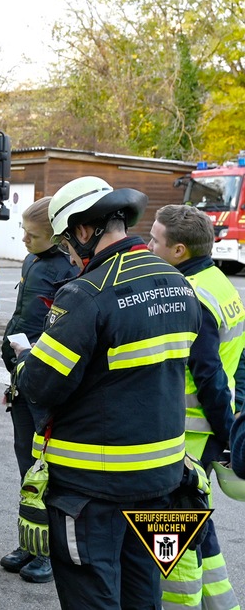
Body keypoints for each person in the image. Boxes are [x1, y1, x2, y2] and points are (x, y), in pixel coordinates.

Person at [17, 176, 200, 609]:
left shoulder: (86, 293)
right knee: (144, 594)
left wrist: (22, 360)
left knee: (93, 598)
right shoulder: (177, 282)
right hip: (165, 479)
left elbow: (42, 385)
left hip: (91, 490)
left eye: (66, 241)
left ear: (84, 230)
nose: (67, 252)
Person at [147, 205, 240, 610]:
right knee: (200, 526)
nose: (148, 245)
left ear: (179, 250)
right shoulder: (219, 282)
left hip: (190, 433)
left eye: (155, 240)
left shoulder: (193, 296)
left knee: (174, 535)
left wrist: (226, 432)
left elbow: (209, 375)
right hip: (206, 429)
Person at [0, 196, 78, 584]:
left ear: (58, 237)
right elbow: (21, 316)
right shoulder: (32, 261)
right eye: (23, 233)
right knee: (27, 469)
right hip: (23, 382)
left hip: (47, 385)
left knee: (49, 475)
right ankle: (30, 543)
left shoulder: (70, 270)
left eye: (32, 235)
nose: (23, 240)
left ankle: (50, 553)